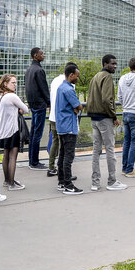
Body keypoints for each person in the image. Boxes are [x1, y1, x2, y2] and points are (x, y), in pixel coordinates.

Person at [86, 54, 126, 192]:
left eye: (116, 64)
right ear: (105, 64)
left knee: (96, 151)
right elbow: (106, 100)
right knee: (110, 149)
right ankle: (112, 181)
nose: (115, 66)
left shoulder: (95, 77)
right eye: (112, 64)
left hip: (94, 118)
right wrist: (114, 116)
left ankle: (95, 183)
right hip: (104, 118)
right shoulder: (107, 77)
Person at [0, 73, 30, 191]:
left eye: (16, 82)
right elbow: (26, 109)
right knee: (13, 157)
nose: (15, 85)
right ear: (5, 83)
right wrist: (19, 109)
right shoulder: (12, 96)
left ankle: (7, 180)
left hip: (3, 129)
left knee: (6, 155)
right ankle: (12, 184)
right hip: (13, 129)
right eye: (13, 82)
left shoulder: (0, 96)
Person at [56, 63, 84, 194]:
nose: (78, 78)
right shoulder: (69, 89)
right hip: (69, 126)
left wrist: (75, 108)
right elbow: (79, 106)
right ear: (71, 75)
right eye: (77, 76)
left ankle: (61, 181)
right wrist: (77, 108)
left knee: (62, 154)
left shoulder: (60, 87)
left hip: (61, 125)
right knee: (68, 156)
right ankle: (68, 184)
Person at [24, 47, 50, 171]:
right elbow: (44, 89)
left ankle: (31, 161)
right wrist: (49, 103)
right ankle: (34, 162)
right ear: (35, 56)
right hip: (40, 106)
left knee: (33, 133)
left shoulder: (29, 70)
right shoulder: (39, 70)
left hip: (33, 105)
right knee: (37, 135)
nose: (43, 55)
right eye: (41, 54)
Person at [47, 67, 67, 177]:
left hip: (53, 116)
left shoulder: (55, 80)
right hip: (62, 117)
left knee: (55, 141)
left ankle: (51, 167)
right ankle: (62, 170)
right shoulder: (67, 82)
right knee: (64, 143)